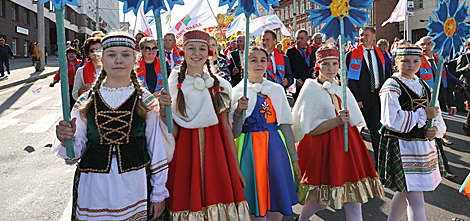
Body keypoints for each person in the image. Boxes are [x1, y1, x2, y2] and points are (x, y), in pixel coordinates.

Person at [53, 32, 169, 220]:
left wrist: (158, 192)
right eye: (112, 54)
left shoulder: (146, 100)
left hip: (135, 185)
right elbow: (74, 153)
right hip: (94, 186)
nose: (118, 60)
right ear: (102, 58)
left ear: (135, 59)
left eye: (125, 54)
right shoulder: (86, 101)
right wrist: (66, 138)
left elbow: (156, 148)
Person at [157, 30, 249, 220]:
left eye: (202, 48)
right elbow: (173, 134)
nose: (196, 53)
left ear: (209, 53)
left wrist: (235, 167)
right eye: (191, 48)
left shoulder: (219, 86)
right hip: (185, 159)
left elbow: (226, 128)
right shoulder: (172, 85)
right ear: (183, 51)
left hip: (217, 158)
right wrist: (163, 112)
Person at [292, 45, 384, 221]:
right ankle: (302, 219)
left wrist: (345, 119)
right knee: (320, 199)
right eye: (326, 64)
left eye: (335, 64)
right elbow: (308, 129)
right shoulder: (310, 89)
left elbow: (355, 121)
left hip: (348, 146)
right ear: (317, 66)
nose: (331, 68)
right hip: (323, 149)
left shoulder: (340, 88)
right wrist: (335, 121)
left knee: (354, 197)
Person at [378, 43, 446, 221]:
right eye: (405, 61)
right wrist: (423, 114)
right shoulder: (391, 85)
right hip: (403, 147)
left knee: (405, 191)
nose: (411, 65)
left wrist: (436, 129)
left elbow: (436, 111)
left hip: (422, 148)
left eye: (416, 61)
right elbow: (391, 120)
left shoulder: (424, 84)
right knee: (417, 201)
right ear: (396, 61)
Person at [231, 46, 299, 220]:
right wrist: (239, 111)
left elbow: (285, 125)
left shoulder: (276, 89)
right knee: (254, 199)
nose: (259, 64)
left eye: (262, 60)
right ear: (245, 64)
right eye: (253, 60)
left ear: (268, 63)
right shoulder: (237, 92)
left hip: (276, 149)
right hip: (250, 151)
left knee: (277, 199)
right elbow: (234, 132)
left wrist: (295, 160)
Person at [346, 26, 388, 166]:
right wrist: (357, 99)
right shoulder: (353, 54)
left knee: (377, 131)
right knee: (357, 131)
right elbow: (351, 80)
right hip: (361, 99)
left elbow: (384, 74)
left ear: (374, 37)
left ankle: (379, 165)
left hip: (376, 97)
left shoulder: (379, 53)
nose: (363, 38)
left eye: (366, 35)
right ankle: (357, 164)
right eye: (361, 35)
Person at [416, 36, 457, 177]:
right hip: (425, 104)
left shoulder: (439, 59)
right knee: (434, 136)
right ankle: (444, 168)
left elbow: (446, 81)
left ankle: (440, 168)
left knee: (436, 135)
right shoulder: (418, 62)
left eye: (428, 44)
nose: (425, 47)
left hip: (438, 100)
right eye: (422, 44)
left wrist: (451, 102)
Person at [286, 30, 315, 102]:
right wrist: (295, 79)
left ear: (307, 38)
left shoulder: (313, 50)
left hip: (311, 83)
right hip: (298, 84)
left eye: (301, 38)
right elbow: (288, 68)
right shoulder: (290, 51)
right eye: (297, 38)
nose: (299, 41)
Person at [456, 45, 470, 136]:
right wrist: (465, 68)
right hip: (467, 84)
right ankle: (467, 127)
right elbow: (457, 70)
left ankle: (467, 126)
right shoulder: (464, 57)